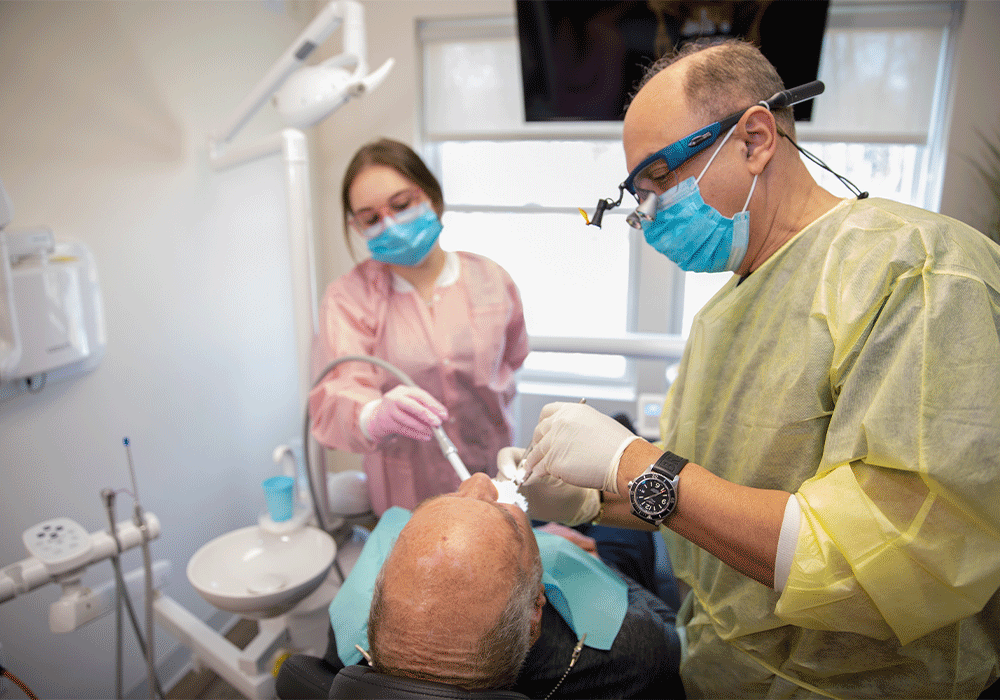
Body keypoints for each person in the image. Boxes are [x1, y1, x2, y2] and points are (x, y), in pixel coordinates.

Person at [521, 38, 1000, 698]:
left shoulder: (917, 272)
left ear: (754, 139)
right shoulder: (725, 314)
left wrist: (634, 461)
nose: (651, 210)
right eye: (638, 193)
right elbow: (707, 494)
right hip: (722, 666)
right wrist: (589, 498)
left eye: (660, 175)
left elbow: (891, 563)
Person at [309, 138, 529, 515]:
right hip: (406, 492)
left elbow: (513, 356)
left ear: (431, 197)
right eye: (371, 218)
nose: (390, 224)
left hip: (490, 472)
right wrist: (372, 415)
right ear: (356, 226)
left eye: (401, 205)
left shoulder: (491, 281)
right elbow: (335, 395)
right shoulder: (348, 299)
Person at [321, 473, 684, 699]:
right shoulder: (632, 656)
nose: (478, 481)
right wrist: (599, 565)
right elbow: (668, 626)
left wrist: (527, 540)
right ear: (536, 611)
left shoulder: (345, 645)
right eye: (506, 520)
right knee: (622, 541)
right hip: (608, 573)